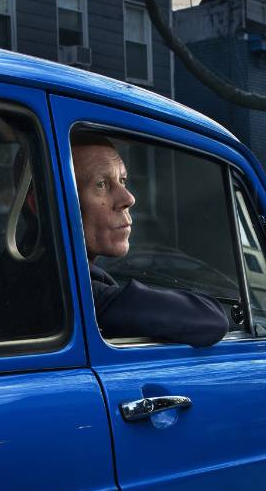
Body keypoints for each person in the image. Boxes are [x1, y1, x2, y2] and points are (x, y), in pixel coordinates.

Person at [71, 132, 229, 347]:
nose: (128, 198)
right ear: (39, 203)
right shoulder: (81, 296)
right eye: (101, 184)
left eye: (123, 180)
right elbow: (212, 320)